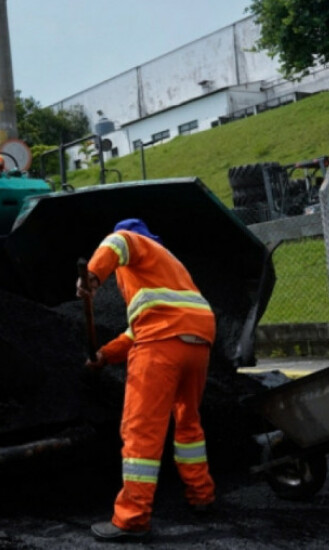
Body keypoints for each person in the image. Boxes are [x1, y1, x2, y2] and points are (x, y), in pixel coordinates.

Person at [76, 218, 216, 541]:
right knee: (188, 421)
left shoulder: (133, 244)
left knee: (141, 430)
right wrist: (104, 356)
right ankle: (201, 495)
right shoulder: (169, 266)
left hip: (162, 343)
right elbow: (136, 331)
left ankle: (133, 517)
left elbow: (118, 241)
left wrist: (94, 275)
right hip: (198, 339)